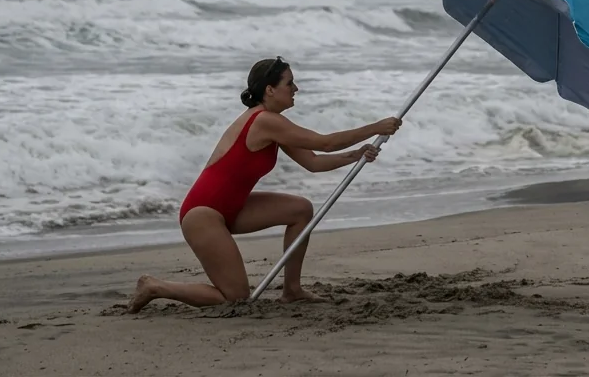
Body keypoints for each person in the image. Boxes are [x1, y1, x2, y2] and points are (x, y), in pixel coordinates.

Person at [126, 56, 401, 312]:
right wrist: (375, 127)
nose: (296, 88)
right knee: (235, 298)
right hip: (203, 214)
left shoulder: (275, 124)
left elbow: (314, 163)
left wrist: (356, 155)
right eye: (289, 83)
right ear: (270, 90)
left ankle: (292, 289)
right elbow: (326, 142)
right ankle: (155, 286)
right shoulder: (264, 121)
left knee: (300, 209)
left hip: (232, 208)